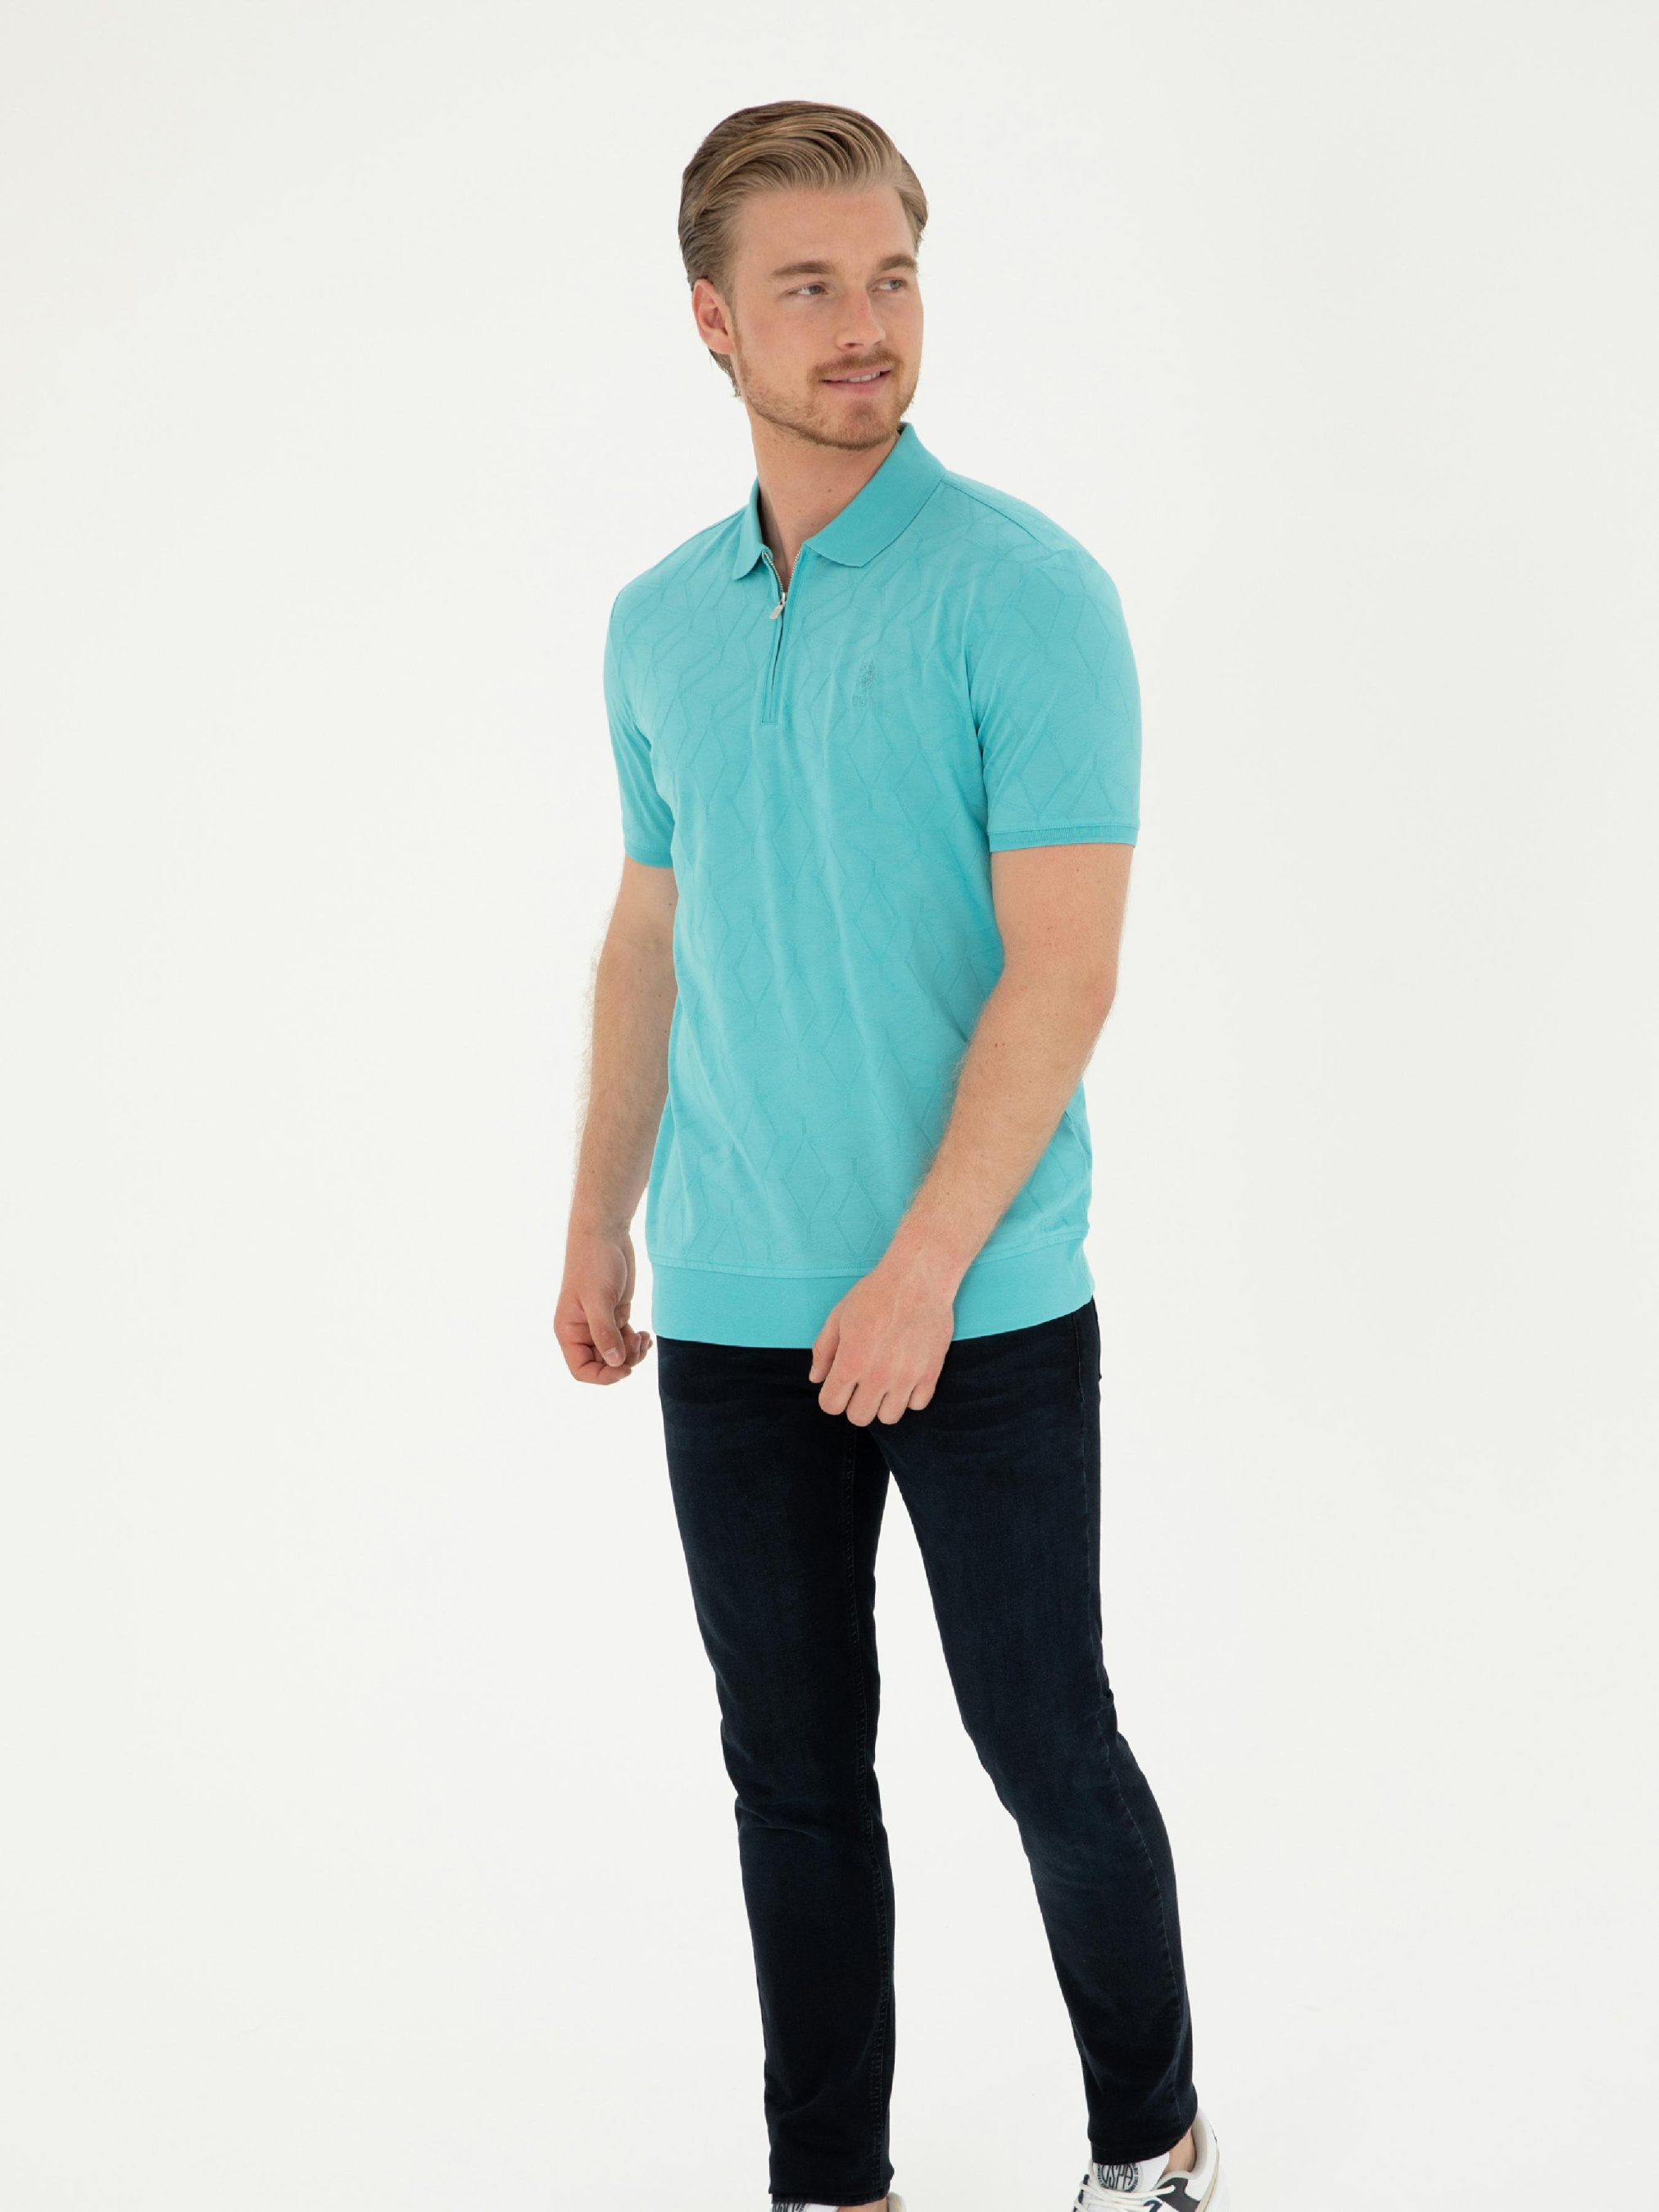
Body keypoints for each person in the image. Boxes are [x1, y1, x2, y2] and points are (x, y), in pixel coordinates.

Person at [559, 99, 1228, 2212]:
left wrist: (924, 1267)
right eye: (811, 288)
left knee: (1046, 1745)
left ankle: (1152, 2144)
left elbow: (1066, 969)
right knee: (791, 1780)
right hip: (737, 1300)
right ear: (712, 321)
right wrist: (597, 1222)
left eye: (893, 277)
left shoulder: (1025, 595)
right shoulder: (656, 623)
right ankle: (828, 2181)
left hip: (983, 1302)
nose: (866, 325)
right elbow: (651, 932)